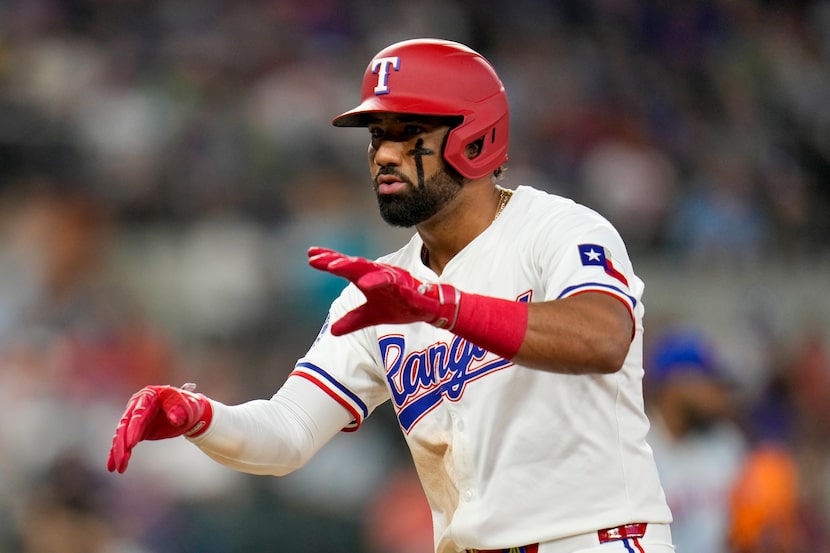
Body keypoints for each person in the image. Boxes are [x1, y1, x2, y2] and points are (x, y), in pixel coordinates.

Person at [107, 38, 675, 553]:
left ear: (475, 137)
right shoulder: (381, 290)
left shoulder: (558, 229)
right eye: (378, 134)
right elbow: (286, 435)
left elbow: (602, 337)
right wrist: (199, 416)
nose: (383, 153)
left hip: (595, 540)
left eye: (409, 134)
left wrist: (442, 307)